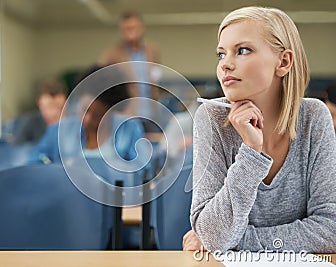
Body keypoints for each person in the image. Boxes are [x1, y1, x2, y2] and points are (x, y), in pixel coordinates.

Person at [183, 6, 336, 253]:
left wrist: (240, 242)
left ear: (283, 62)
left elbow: (331, 229)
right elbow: (213, 234)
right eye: (221, 54)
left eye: (242, 51)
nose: (225, 65)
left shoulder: (313, 117)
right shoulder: (211, 118)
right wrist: (251, 154)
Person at [27, 65, 148, 166]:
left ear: (112, 111)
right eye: (84, 110)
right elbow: (33, 164)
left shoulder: (129, 129)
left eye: (98, 116)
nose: (87, 119)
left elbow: (142, 168)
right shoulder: (59, 131)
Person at [99, 12, 162, 132]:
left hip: (151, 113)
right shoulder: (112, 55)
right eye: (125, 29)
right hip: (126, 115)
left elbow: (155, 78)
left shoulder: (153, 51)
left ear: (141, 28)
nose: (129, 31)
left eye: (133, 28)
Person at [10, 78, 67, 144]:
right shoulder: (30, 123)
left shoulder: (74, 125)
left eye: (59, 107)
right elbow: (17, 149)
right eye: (49, 107)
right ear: (39, 103)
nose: (54, 113)